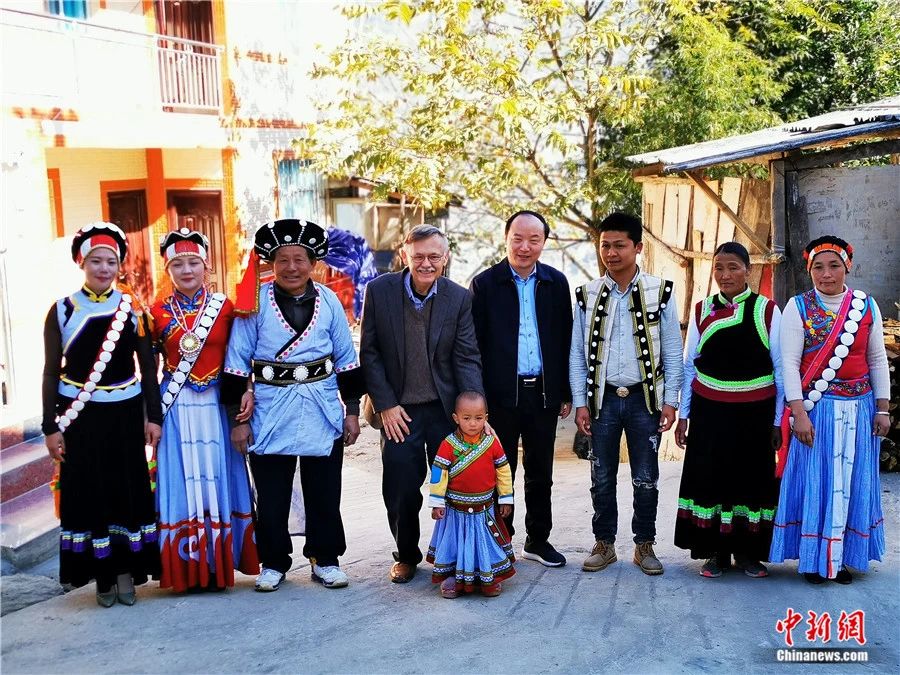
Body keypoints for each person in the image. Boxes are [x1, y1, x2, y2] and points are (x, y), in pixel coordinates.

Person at [224, 219, 364, 592]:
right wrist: (238, 420)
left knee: (324, 490)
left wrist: (352, 410)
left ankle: (326, 558)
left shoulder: (330, 301)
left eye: (299, 259)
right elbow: (236, 362)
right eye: (282, 259)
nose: (291, 267)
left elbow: (347, 358)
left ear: (313, 263)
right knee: (272, 493)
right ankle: (273, 561)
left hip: (321, 405)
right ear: (271, 263)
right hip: (270, 408)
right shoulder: (254, 303)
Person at [42, 222, 161, 607]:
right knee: (90, 492)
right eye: (96, 260)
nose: (104, 268)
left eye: (111, 261)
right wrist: (49, 426)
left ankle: (127, 574)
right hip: (79, 419)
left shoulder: (133, 310)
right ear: (82, 262)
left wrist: (153, 417)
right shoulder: (62, 311)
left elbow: (148, 368)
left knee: (125, 491)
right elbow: (50, 371)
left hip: (124, 417)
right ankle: (103, 579)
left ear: (119, 265)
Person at [360, 224, 483, 584]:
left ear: (445, 257)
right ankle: (406, 555)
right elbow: (370, 353)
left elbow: (467, 357)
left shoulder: (458, 298)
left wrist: (473, 413)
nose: (426, 263)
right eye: (418, 257)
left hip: (445, 410)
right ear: (405, 255)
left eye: (434, 256)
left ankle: (454, 555)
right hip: (399, 410)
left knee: (456, 485)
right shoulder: (379, 291)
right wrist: (385, 404)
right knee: (400, 486)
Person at [770, 235, 889, 584]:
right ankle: (814, 560)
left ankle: (843, 558)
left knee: (852, 482)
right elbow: (790, 364)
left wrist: (882, 408)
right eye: (818, 267)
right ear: (809, 271)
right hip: (817, 412)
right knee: (817, 483)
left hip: (860, 410)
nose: (826, 274)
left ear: (847, 267)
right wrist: (799, 414)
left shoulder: (866, 306)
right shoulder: (798, 307)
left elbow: (877, 359)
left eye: (834, 266)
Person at [569, 212, 683, 576]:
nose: (611, 253)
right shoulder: (587, 294)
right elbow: (576, 353)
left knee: (646, 477)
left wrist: (671, 401)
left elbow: (672, 350)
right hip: (602, 400)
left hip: (643, 400)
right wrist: (581, 402)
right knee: (601, 476)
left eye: (619, 245)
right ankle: (604, 544)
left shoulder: (660, 291)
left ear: (638, 247)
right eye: (605, 245)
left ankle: (644, 545)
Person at [150, 228, 259, 592]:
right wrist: (149, 415)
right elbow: (148, 368)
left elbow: (241, 356)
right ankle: (186, 570)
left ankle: (218, 565)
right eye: (178, 264)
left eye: (193, 262)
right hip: (176, 407)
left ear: (206, 265)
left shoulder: (225, 307)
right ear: (168, 269)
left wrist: (247, 390)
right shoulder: (155, 312)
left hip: (216, 405)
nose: (186, 270)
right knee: (181, 480)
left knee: (218, 476)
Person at [673, 242, 783, 578]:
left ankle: (748, 554)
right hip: (710, 414)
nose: (725, 274)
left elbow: (780, 367)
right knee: (711, 479)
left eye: (733, 267)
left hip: (755, 414)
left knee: (751, 480)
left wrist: (778, 420)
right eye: (719, 268)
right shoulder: (701, 310)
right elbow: (689, 366)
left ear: (748, 270)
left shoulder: (767, 310)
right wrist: (683, 415)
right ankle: (716, 554)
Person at [470, 210, 572, 567]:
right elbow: (473, 345)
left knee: (541, 470)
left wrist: (565, 391)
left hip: (542, 393)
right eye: (518, 239)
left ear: (544, 242)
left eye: (534, 240)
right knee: (501, 470)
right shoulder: (485, 284)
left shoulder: (556, 283)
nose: (524, 247)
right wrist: (478, 398)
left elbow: (565, 338)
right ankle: (501, 539)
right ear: (506, 239)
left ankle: (538, 539)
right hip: (500, 395)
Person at [427, 391, 515, 598]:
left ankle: (487, 576)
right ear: (456, 418)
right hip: (455, 512)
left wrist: (505, 498)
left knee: (483, 543)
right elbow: (438, 473)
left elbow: (503, 471)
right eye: (466, 418)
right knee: (455, 544)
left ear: (486, 418)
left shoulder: (492, 443)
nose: (473, 423)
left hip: (484, 511)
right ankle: (451, 577)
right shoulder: (448, 445)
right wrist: (437, 502)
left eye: (478, 418)